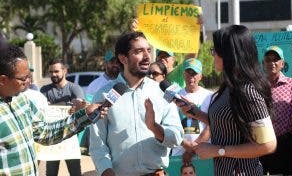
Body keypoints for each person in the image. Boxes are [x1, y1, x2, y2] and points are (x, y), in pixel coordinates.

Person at [179, 25, 277, 175]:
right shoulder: (228, 87)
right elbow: (228, 124)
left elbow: (268, 145)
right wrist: (195, 112)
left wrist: (218, 150)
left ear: (229, 54)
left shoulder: (247, 92)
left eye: (215, 51)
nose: (212, 55)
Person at [0, 43, 105, 175]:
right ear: (3, 80)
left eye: (29, 76)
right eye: (23, 78)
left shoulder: (22, 101)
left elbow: (45, 133)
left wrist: (85, 115)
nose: (28, 81)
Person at [90, 31, 184, 176]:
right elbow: (98, 144)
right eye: (139, 51)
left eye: (148, 50)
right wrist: (107, 172)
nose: (147, 57)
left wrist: (154, 127)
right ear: (123, 58)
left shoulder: (161, 92)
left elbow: (176, 137)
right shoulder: (104, 95)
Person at [40, 59, 85, 176]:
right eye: (51, 72)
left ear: (64, 71)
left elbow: (79, 103)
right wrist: (67, 105)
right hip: (52, 137)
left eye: (56, 71)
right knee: (51, 173)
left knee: (75, 172)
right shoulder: (44, 90)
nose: (53, 74)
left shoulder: (74, 88)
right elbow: (41, 109)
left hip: (70, 137)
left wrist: (76, 105)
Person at [260, 45, 292, 175]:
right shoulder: (257, 86)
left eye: (275, 59)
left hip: (285, 144)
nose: (272, 63)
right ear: (263, 63)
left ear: (282, 64)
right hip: (261, 143)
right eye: (268, 59)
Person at [172, 58, 212, 158]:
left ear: (201, 76)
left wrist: (194, 148)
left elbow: (212, 125)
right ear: (183, 75)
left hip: (203, 151)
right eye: (188, 72)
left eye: (194, 73)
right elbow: (170, 124)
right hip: (179, 153)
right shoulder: (175, 96)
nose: (191, 77)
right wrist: (186, 145)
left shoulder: (210, 96)